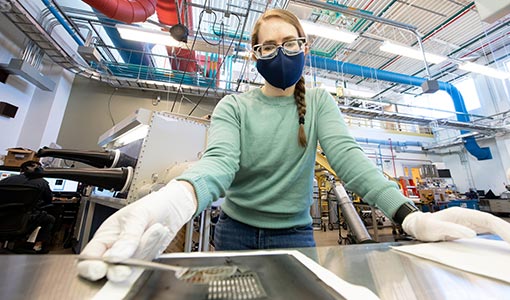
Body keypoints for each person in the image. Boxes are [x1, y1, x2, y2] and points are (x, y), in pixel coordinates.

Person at [77, 9, 510, 282]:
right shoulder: (234, 105)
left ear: (304, 47)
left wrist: (411, 217)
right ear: (254, 55)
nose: (281, 52)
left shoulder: (319, 103)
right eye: (269, 46)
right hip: (235, 233)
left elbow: (351, 162)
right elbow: (219, 165)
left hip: (297, 234)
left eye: (290, 43)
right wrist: (167, 205)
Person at [0, 160, 55, 253]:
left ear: (21, 170)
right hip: (23, 220)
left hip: (2, 218)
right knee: (50, 219)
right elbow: (48, 200)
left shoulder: (5, 180)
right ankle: (38, 246)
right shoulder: (42, 182)